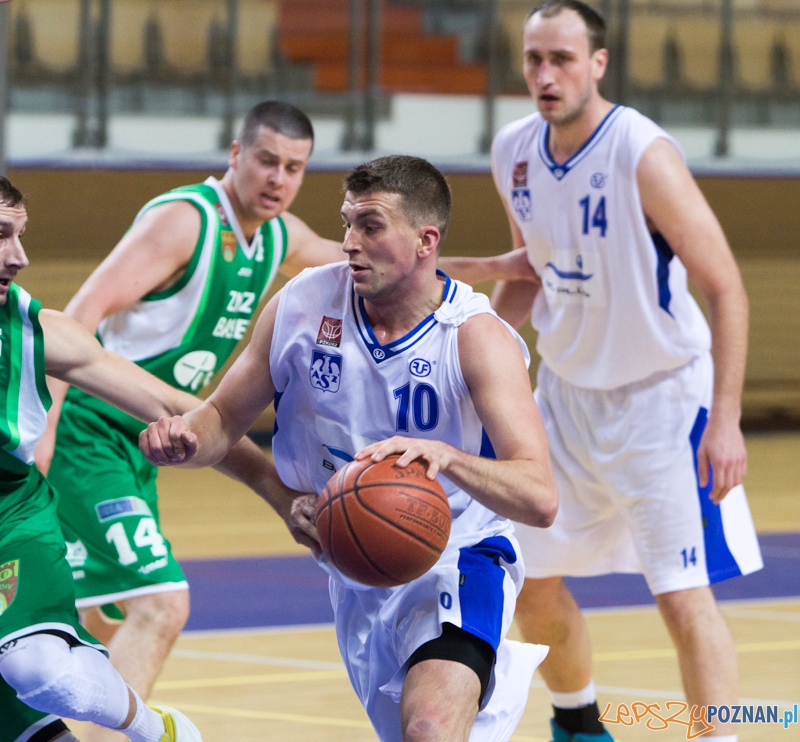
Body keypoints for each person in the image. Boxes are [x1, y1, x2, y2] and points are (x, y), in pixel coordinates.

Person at [138, 155, 560, 742]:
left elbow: (540, 498)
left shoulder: (475, 337)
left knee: (431, 729)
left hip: (459, 557)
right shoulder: (303, 305)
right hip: (357, 561)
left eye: (370, 226)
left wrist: (449, 458)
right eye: (346, 224)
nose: (349, 243)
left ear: (424, 241)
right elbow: (222, 419)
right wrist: (185, 438)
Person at [486, 2, 763, 741]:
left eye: (563, 60)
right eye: (534, 59)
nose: (545, 75)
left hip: (661, 402)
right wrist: (472, 344)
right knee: (532, 584)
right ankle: (579, 722)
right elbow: (530, 270)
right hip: (566, 399)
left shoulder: (643, 152)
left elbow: (727, 286)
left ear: (598, 64)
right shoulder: (512, 149)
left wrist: (726, 418)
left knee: (681, 595)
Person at [0, 176, 209, 741]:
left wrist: (278, 479)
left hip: (12, 520)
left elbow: (174, 405)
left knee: (37, 668)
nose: (19, 257)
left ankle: (154, 727)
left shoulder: (34, 332)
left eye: (19, 236)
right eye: (2, 236)